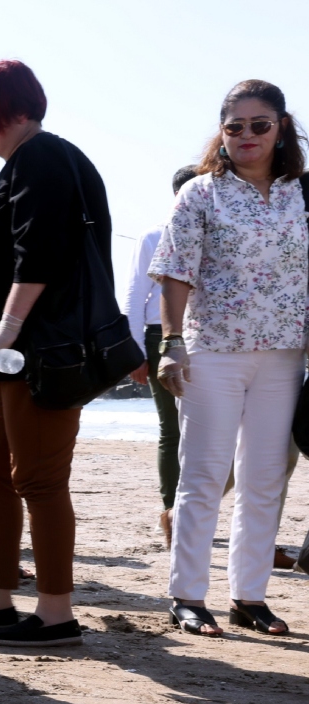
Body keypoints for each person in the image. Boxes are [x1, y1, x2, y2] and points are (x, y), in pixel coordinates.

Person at [0, 60, 107, 649]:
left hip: (40, 356)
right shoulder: (27, 163)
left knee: (39, 479)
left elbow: (41, 253)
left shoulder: (42, 157)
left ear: (18, 108)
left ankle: (56, 613)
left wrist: (5, 329)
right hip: (16, 363)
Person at [152, 79, 307, 637]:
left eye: (258, 125)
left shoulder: (303, 193)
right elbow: (174, 273)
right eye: (234, 126)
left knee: (266, 478)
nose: (246, 135)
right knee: (204, 473)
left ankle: (250, 596)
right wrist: (172, 344)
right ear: (221, 133)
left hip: (286, 355)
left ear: (281, 127)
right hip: (212, 352)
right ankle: (188, 595)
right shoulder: (200, 193)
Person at [126, 165, 200, 549]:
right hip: (160, 338)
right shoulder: (154, 234)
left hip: (207, 338)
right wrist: (136, 352)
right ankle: (172, 511)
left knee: (206, 433)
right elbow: (136, 296)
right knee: (172, 431)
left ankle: (190, 511)